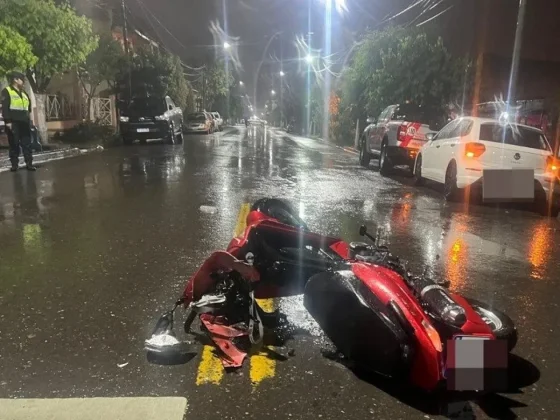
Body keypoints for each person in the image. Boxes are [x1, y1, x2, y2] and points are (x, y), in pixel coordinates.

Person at [1, 71, 36, 171]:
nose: (23, 82)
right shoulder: (6, 91)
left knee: (27, 144)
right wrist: (8, 122)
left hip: (24, 122)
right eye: (22, 79)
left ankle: (29, 163)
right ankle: (14, 165)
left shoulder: (24, 93)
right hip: (13, 122)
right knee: (14, 144)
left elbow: (28, 107)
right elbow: (5, 108)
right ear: (15, 80)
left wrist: (29, 120)